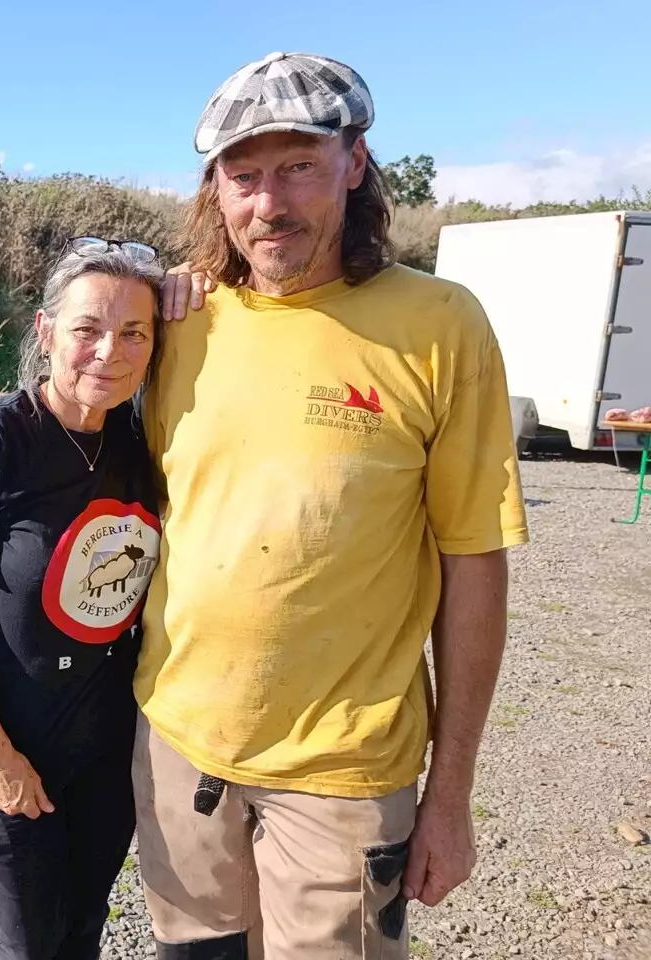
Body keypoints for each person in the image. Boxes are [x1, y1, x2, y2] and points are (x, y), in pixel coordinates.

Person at [136, 52, 530, 959]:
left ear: (354, 163)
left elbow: (474, 559)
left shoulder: (439, 324)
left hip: (344, 777)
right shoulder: (177, 324)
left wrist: (452, 793)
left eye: (298, 168)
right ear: (216, 189)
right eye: (244, 176)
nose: (268, 203)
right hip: (176, 748)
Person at [0, 238, 166, 960]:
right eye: (87, 328)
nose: (109, 351)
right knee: (29, 944)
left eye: (134, 332)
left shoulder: (140, 441)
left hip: (105, 752)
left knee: (84, 926)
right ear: (47, 331)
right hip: (11, 749)